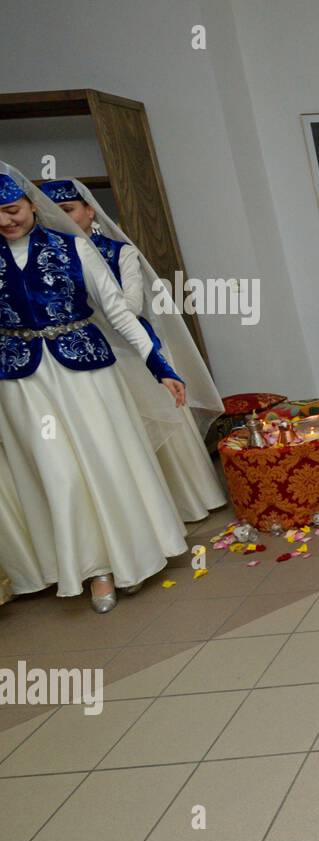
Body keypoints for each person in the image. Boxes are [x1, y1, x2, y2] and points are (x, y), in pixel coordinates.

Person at [0, 161, 190, 612]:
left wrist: (160, 365)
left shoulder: (73, 248)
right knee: (56, 471)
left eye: (12, 209)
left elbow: (121, 313)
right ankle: (92, 568)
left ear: (31, 203)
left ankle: (130, 555)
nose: (6, 221)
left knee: (105, 460)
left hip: (85, 372)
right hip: (22, 380)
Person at [37, 179, 225, 522]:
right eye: (54, 213)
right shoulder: (48, 258)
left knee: (160, 423)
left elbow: (130, 305)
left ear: (89, 210)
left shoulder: (119, 252)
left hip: (133, 348)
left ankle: (187, 500)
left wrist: (81, 305)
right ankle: (147, 512)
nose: (61, 219)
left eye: (68, 210)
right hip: (90, 356)